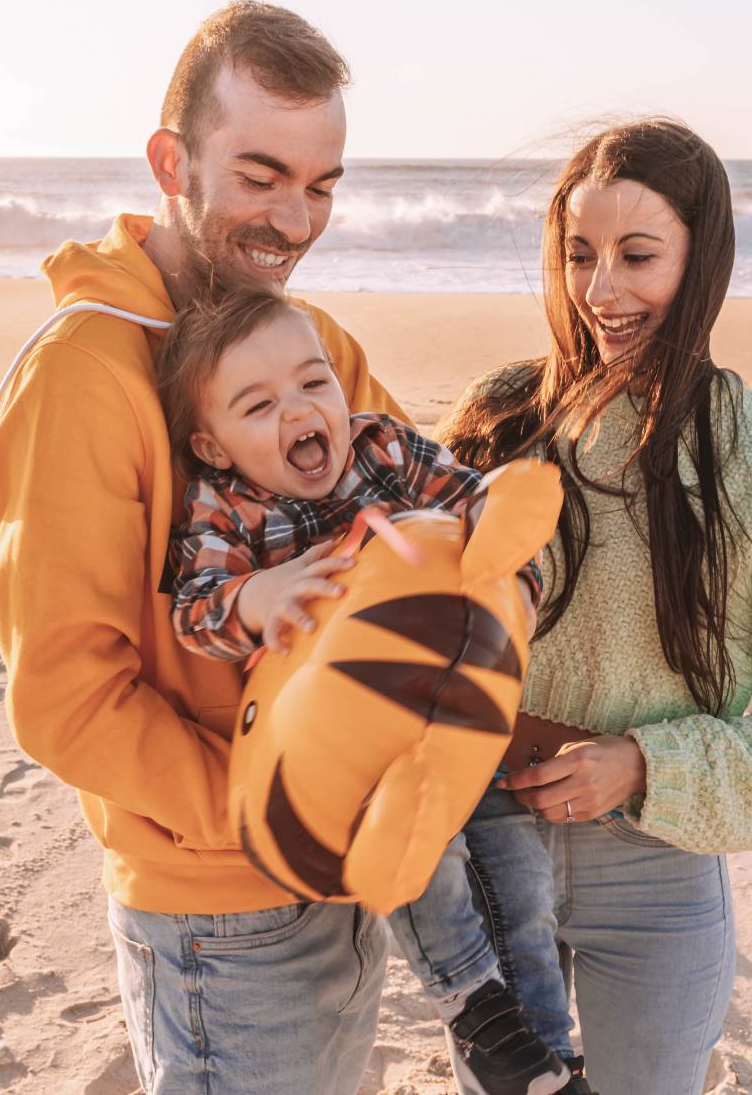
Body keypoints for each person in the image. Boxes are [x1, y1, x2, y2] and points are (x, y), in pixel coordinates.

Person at [0, 1, 404, 1095]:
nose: (296, 221)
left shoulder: (320, 347)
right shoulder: (85, 371)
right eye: (260, 178)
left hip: (351, 865)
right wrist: (267, 814)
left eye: (321, 186)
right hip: (218, 906)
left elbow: (408, 540)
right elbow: (66, 696)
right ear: (173, 160)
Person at [436, 119, 752, 1095]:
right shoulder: (498, 420)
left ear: (701, 257)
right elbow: (408, 605)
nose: (602, 292)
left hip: (659, 868)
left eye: (638, 256)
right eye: (580, 256)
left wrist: (645, 764)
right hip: (485, 848)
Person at [159, 286, 588, 1095]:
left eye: (313, 383)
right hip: (363, 749)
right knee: (425, 853)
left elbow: (480, 510)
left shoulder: (381, 447)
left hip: (463, 714)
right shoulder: (225, 507)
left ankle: (548, 1056)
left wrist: (512, 596)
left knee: (522, 880)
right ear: (212, 446)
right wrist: (258, 596)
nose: (299, 412)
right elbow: (193, 609)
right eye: (258, 405)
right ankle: (469, 1000)